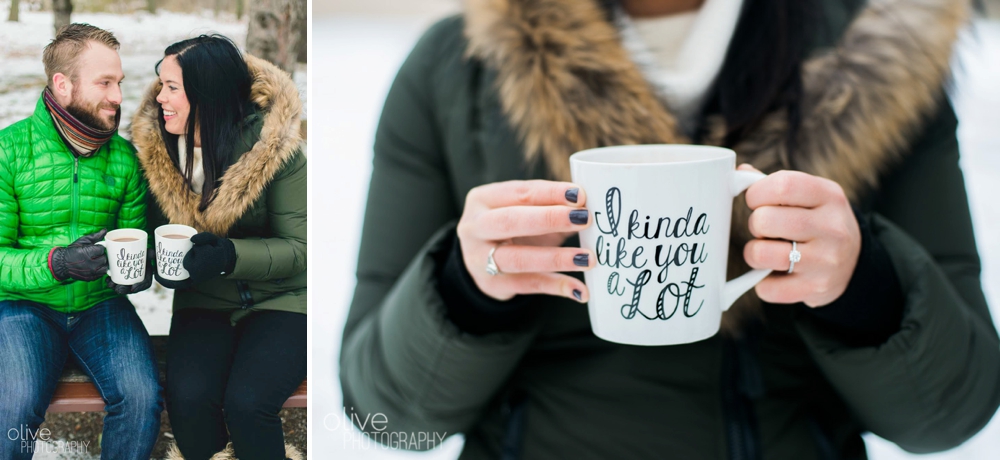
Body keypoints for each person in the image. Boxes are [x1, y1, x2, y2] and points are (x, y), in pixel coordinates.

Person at [340, 0, 1000, 458]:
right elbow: (390, 423)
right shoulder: (452, 71)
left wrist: (867, 287)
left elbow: (949, 419)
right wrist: (465, 288)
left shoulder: (888, 55)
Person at [129, 35, 306, 460]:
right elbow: (154, 239)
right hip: (202, 302)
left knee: (248, 404)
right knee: (189, 402)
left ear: (207, 95)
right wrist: (138, 264)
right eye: (160, 83)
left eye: (172, 87)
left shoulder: (275, 151)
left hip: (283, 299)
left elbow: (300, 249)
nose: (160, 96)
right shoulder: (157, 154)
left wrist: (229, 257)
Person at [0, 23, 161, 459]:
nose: (117, 97)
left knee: (142, 399)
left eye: (120, 83)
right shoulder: (9, 151)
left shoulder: (125, 159)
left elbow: (134, 240)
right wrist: (59, 263)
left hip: (98, 305)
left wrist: (138, 272)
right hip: (24, 305)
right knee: (13, 408)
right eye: (104, 83)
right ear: (63, 85)